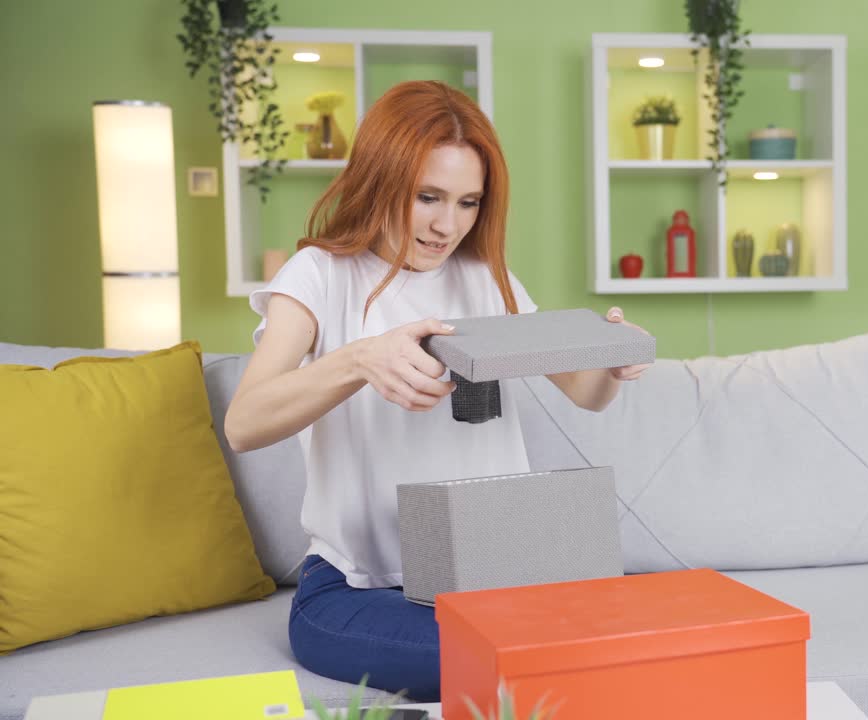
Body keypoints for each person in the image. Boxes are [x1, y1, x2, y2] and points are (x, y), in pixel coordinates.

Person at [223, 80, 651, 701]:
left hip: (491, 573)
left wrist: (614, 361)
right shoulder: (320, 275)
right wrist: (358, 361)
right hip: (357, 589)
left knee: (614, 650)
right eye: (428, 196)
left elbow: (585, 393)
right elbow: (244, 423)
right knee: (515, 667)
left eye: (468, 202)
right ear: (381, 177)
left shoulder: (486, 280)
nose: (447, 225)